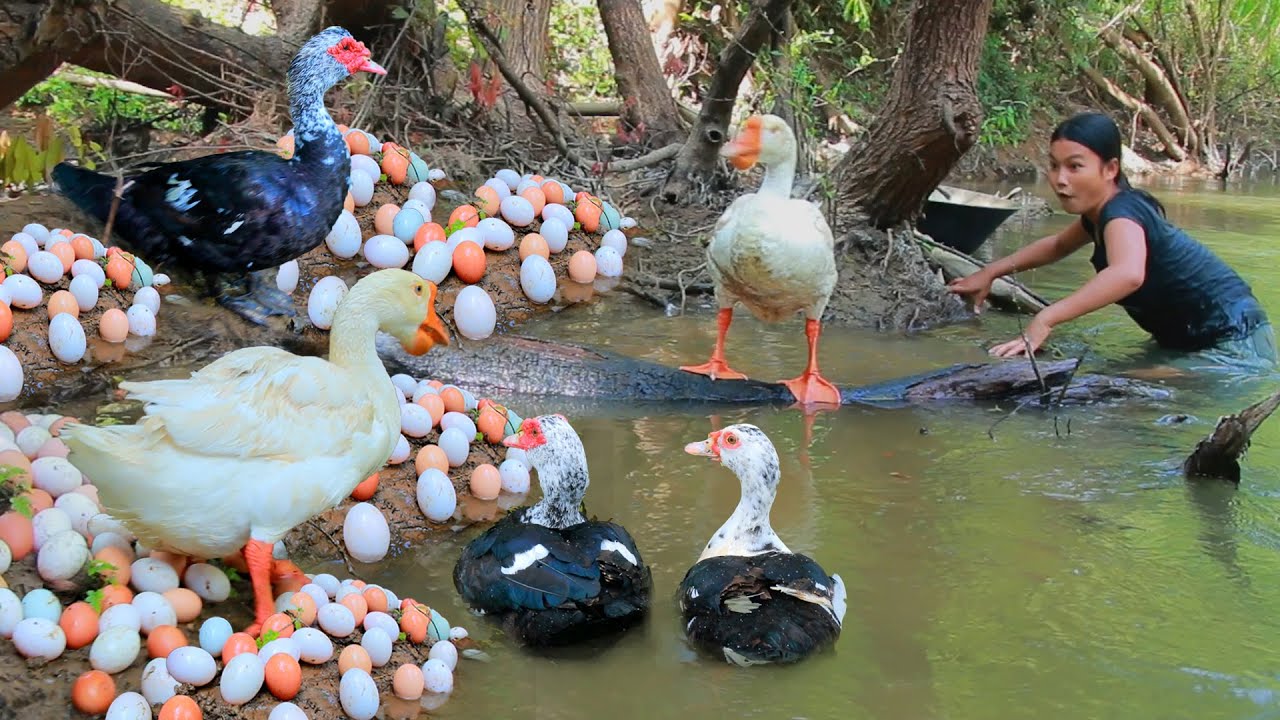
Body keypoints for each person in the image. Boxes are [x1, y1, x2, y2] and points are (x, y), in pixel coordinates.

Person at [948, 111, 1276, 367]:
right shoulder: (1100, 215)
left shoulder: (1122, 211)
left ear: (1110, 169)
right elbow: (1057, 246)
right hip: (1196, 339)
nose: (1060, 180)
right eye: (1053, 166)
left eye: (1075, 167)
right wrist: (990, 272)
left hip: (1234, 340)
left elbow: (1127, 274)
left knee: (1123, 389)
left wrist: (1046, 318)